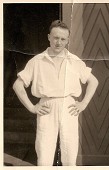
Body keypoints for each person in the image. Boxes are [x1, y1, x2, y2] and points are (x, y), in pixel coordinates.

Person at [13, 20, 99, 166]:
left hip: (69, 107)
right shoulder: (37, 60)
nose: (59, 42)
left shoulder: (74, 60)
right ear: (49, 37)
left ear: (67, 40)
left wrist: (83, 103)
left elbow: (94, 81)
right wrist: (32, 107)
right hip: (47, 107)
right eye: (55, 37)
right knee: (44, 154)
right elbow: (17, 85)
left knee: (70, 154)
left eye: (63, 39)